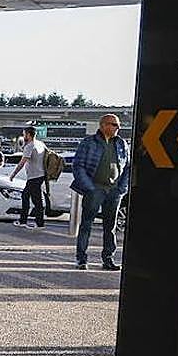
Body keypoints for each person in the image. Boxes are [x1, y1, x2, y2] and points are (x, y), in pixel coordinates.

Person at [70, 114, 129, 271]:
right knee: (86, 224)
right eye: (114, 125)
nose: (118, 128)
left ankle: (108, 259)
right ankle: (81, 259)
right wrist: (89, 187)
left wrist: (122, 188)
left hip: (114, 191)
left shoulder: (122, 144)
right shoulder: (89, 143)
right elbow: (78, 165)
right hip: (95, 189)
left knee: (110, 226)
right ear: (103, 125)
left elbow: (128, 167)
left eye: (118, 125)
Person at [9, 127, 47, 229]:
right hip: (40, 175)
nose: (23, 136)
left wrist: (13, 174)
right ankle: (26, 220)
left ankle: (36, 223)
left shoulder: (30, 146)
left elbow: (22, 162)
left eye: (24, 134)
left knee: (34, 199)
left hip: (34, 176)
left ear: (29, 135)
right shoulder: (40, 144)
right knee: (28, 197)